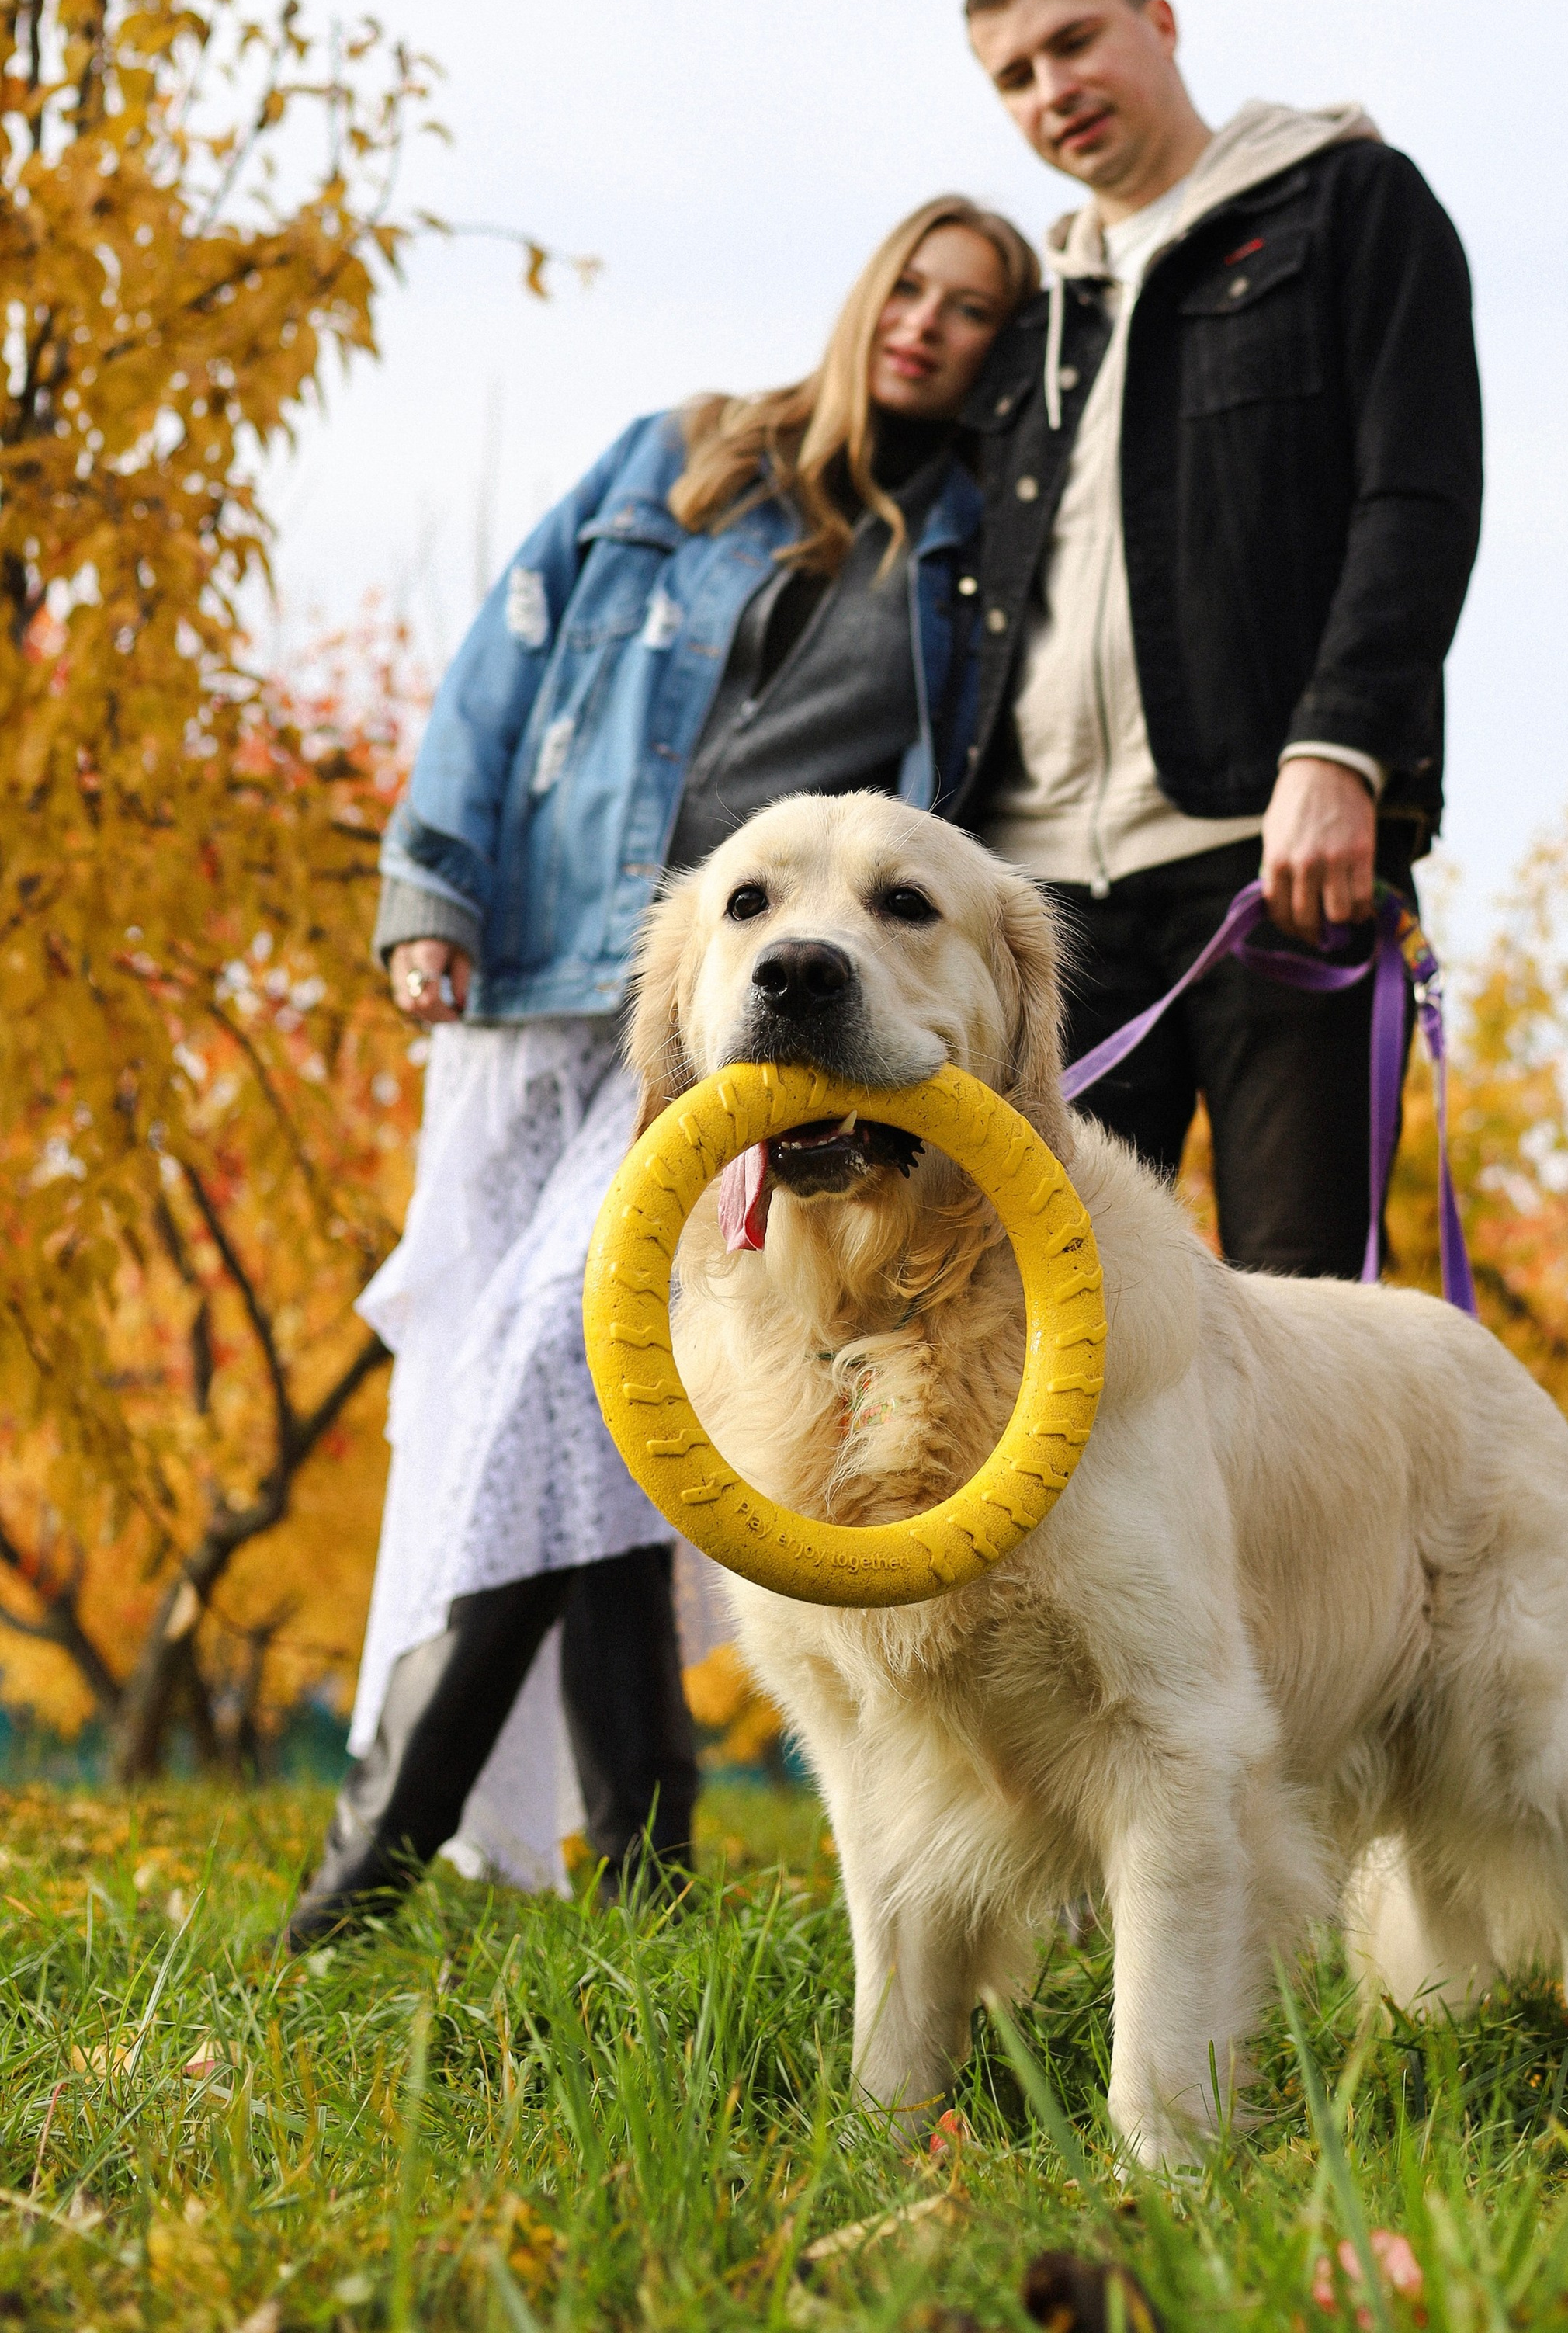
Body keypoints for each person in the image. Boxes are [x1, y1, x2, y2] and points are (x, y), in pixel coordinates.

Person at [285, 196, 1037, 1949]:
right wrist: (430, 879)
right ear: (868, 292)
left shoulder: (968, 553)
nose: (930, 325)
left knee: (582, 1350)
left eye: (978, 314)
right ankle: (639, 1857)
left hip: (761, 1012)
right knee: (576, 1388)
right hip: (559, 967)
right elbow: (501, 659)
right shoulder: (680, 460)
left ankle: (363, 1882)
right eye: (913, 287)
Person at [952, 0, 1482, 1279]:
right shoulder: (1028, 322)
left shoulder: (1351, 205)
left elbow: (1416, 497)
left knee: (1306, 1326)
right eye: (1013, 76)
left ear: (1161, 22)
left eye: (1074, 41)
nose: (1050, 88)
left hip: (1272, 851)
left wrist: (1344, 750)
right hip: (1036, 897)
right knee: (1031, 1324)